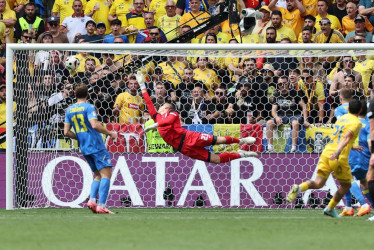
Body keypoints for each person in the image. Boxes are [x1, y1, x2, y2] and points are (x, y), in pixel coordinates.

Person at [136, 71, 258, 163]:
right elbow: (148, 102)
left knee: (219, 140)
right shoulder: (156, 116)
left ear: (167, 108)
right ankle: (242, 154)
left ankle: (241, 141)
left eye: (163, 106)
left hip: (190, 138)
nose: (160, 107)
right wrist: (142, 85)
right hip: (183, 148)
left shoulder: (173, 113)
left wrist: (155, 125)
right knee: (216, 160)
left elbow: (168, 121)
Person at [286, 99, 363, 218]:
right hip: (338, 155)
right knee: (347, 185)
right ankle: (330, 208)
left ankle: (299, 187)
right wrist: (338, 152)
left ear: (348, 109)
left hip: (326, 152)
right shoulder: (356, 122)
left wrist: (352, 147)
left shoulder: (342, 119)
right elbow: (346, 137)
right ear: (361, 110)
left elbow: (339, 137)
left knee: (318, 183)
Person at [64, 83, 117, 214]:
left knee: (98, 174)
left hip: (84, 146)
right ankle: (102, 205)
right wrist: (110, 133)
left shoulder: (69, 110)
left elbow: (66, 132)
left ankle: (92, 200)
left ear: (75, 95)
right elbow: (94, 125)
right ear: (87, 94)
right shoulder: (89, 107)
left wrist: (80, 137)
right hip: (95, 144)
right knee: (106, 174)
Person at [337, 96, 372, 216]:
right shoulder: (367, 124)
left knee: (347, 179)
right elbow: (369, 142)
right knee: (364, 182)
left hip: (352, 156)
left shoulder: (351, 123)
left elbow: (344, 138)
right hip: (365, 157)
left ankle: (363, 204)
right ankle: (348, 207)